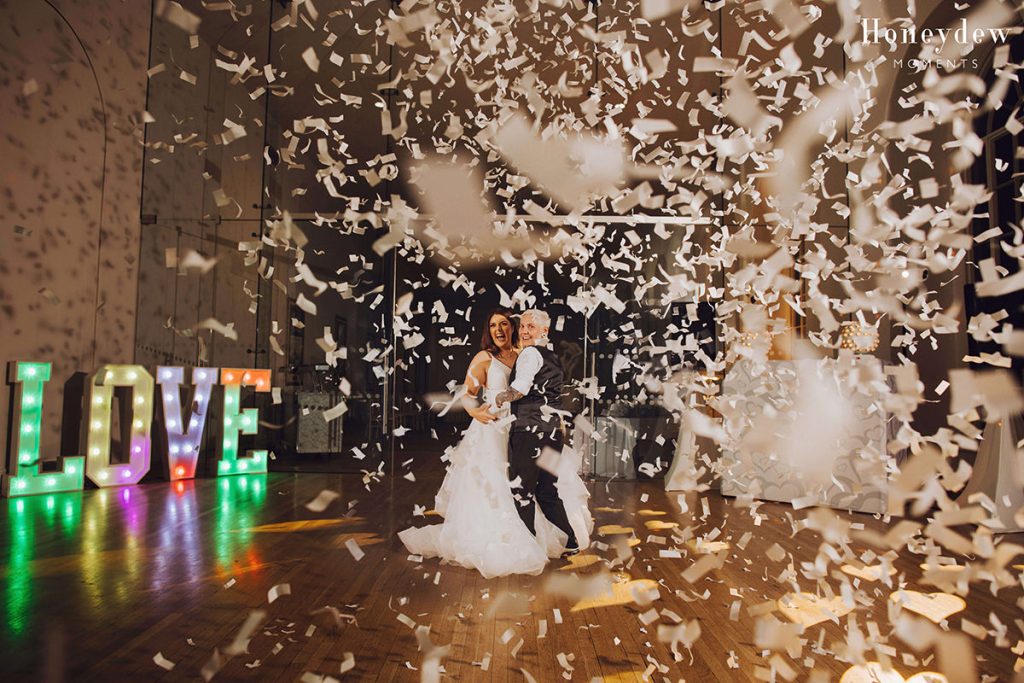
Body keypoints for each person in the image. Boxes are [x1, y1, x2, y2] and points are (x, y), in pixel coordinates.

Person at [398, 309, 590, 578]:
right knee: (502, 486)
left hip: (524, 430)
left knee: (530, 487)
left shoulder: (526, 354)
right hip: (494, 431)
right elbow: (467, 392)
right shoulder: (485, 358)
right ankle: (534, 541)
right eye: (492, 325)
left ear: (514, 329)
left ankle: (539, 542)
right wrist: (475, 412)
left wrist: (506, 400)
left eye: (506, 324)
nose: (499, 329)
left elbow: (526, 389)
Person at [495, 308, 584, 558]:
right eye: (522, 326)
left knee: (521, 489)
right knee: (547, 490)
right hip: (555, 433)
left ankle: (528, 548)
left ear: (544, 330)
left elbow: (521, 387)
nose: (523, 331)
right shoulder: (554, 358)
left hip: (529, 431)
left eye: (530, 327)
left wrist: (504, 396)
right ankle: (571, 541)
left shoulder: (530, 354)